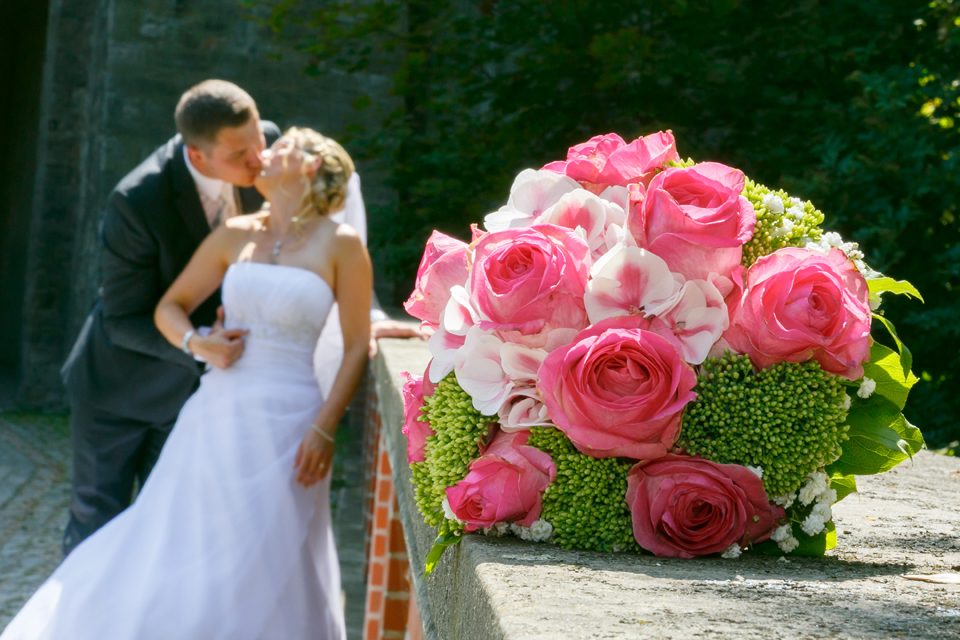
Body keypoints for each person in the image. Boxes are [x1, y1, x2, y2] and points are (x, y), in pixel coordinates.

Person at [2, 128, 368, 639]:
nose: (262, 153)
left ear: (308, 166)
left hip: (294, 424)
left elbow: (355, 344)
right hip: (218, 411)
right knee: (182, 536)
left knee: (271, 548)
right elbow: (168, 308)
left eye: (280, 147)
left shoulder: (342, 245)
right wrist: (200, 343)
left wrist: (326, 427)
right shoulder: (234, 234)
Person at [59, 80, 282, 555]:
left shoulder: (265, 147)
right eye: (241, 154)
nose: (259, 159)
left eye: (258, 141)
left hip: (197, 398)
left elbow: (320, 234)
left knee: (175, 530)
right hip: (119, 393)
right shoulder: (136, 201)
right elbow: (123, 318)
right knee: (98, 528)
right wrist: (198, 341)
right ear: (198, 157)